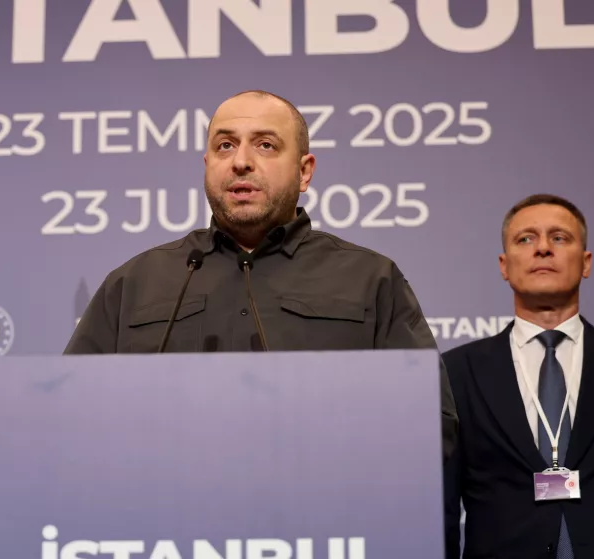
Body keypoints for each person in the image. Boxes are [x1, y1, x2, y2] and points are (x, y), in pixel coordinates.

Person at [65, 90, 458, 460]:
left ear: (304, 172)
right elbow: (70, 413)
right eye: (225, 145)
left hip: (329, 522)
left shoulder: (370, 279)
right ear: (207, 165)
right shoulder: (136, 282)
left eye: (266, 145)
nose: (240, 161)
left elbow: (429, 426)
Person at [443, 194, 594, 558]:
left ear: (586, 262)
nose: (543, 248)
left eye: (559, 238)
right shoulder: (457, 371)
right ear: (504, 264)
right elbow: (443, 510)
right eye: (525, 239)